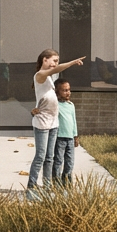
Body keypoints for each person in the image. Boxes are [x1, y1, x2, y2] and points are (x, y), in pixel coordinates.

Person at [27, 49, 85, 197]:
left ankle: (47, 188)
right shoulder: (40, 75)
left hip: (53, 124)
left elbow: (46, 99)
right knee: (40, 156)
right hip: (42, 124)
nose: (56, 64)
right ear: (44, 60)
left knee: (50, 158)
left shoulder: (49, 79)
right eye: (54, 60)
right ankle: (31, 187)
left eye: (57, 61)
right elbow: (57, 70)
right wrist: (72, 62)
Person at [51, 79, 79, 184]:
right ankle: (56, 182)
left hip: (70, 138)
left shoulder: (71, 105)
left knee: (70, 162)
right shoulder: (55, 105)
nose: (68, 92)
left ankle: (66, 182)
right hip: (59, 138)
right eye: (64, 90)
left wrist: (75, 136)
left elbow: (74, 120)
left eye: (69, 90)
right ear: (57, 92)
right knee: (58, 161)